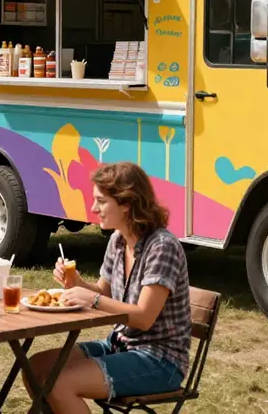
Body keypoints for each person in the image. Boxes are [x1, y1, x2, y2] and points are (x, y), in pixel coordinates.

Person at [25, 162, 191, 413]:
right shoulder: (118, 240)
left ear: (126, 203)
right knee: (34, 367)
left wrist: (90, 300)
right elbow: (105, 292)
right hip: (119, 345)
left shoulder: (162, 247)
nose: (94, 208)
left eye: (101, 201)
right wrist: (77, 284)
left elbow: (144, 318)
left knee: (59, 384)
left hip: (160, 359)